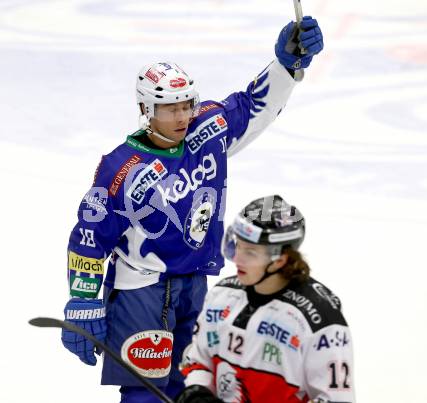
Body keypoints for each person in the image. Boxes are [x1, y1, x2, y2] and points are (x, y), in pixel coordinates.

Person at [60, 17, 324, 403]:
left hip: (196, 283)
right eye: (170, 108)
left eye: (187, 105)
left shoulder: (208, 130)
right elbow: (89, 236)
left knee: (193, 383)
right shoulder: (121, 169)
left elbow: (253, 106)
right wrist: (83, 301)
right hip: (141, 291)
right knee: (146, 392)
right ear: (146, 108)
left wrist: (285, 65)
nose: (183, 116)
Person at [178, 195, 355, 403]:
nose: (236, 258)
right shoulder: (222, 295)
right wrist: (198, 392)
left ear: (280, 260)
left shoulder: (319, 319)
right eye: (237, 246)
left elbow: (336, 399)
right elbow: (199, 359)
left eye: (250, 253)